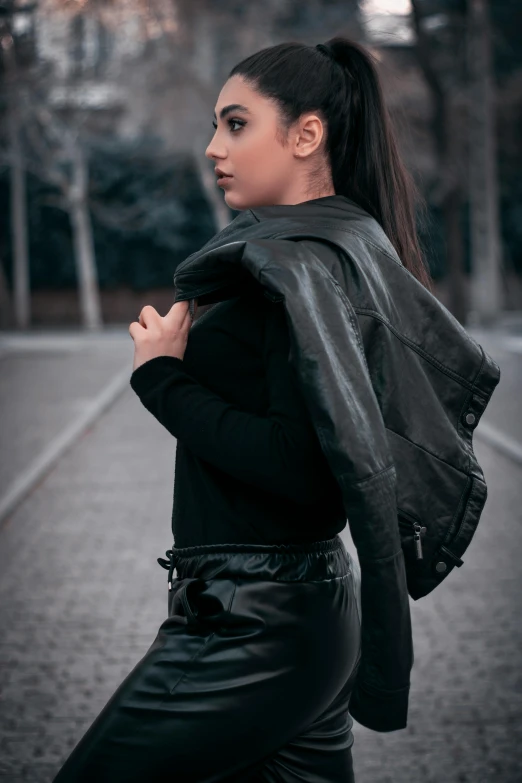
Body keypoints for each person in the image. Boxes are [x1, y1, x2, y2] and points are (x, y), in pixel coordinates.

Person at [52, 36, 433, 783]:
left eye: (235, 124)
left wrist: (163, 377)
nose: (212, 147)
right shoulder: (327, 249)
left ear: (305, 134)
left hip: (253, 623)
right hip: (300, 612)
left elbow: (303, 470)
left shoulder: (293, 269)